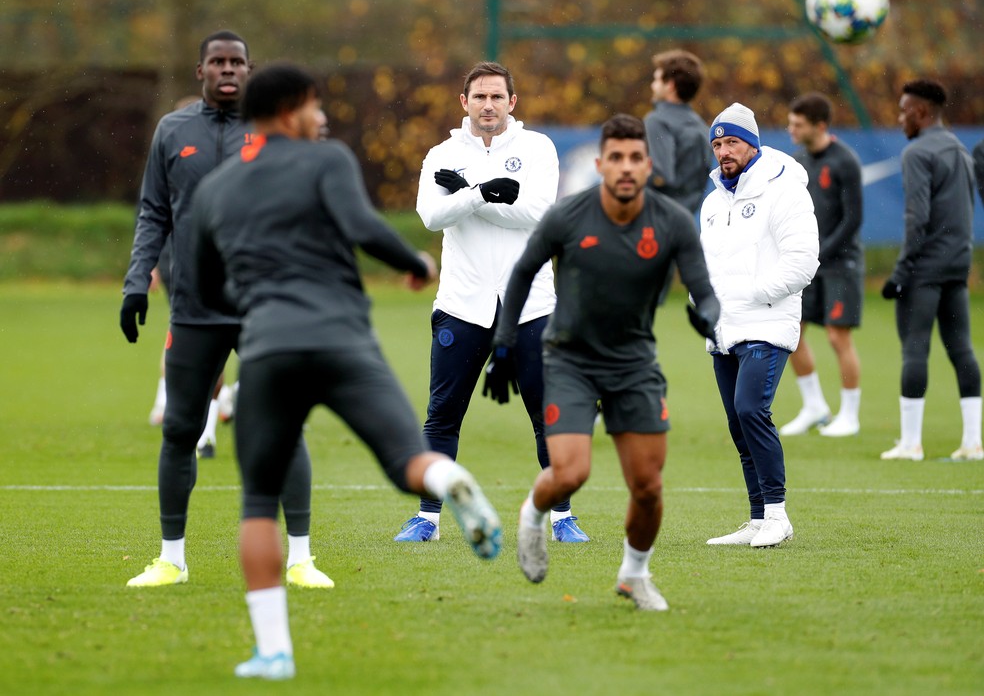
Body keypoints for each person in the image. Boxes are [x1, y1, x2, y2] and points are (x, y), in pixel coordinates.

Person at [191, 62, 501, 680]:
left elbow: (201, 288)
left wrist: (252, 306)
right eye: (313, 105)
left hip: (270, 349)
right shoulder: (326, 161)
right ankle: (451, 483)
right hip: (343, 341)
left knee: (257, 503)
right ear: (287, 112)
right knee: (407, 458)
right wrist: (411, 261)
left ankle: (273, 651)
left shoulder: (215, 189)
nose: (322, 117)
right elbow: (362, 228)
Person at [119, 31, 333, 588]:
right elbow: (153, 214)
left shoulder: (274, 130)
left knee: (285, 426)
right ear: (201, 71)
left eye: (237, 61)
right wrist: (136, 281)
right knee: (181, 429)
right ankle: (171, 559)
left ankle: (302, 559)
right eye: (218, 61)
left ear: (251, 69)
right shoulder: (172, 132)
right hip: (193, 307)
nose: (228, 69)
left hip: (263, 305)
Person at [489, 114, 720, 611]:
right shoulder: (567, 217)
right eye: (615, 158)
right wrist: (504, 344)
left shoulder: (673, 221)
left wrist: (709, 316)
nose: (625, 168)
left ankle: (634, 575)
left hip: (635, 365)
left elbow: (704, 290)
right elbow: (523, 272)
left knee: (648, 486)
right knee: (570, 474)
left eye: (635, 158)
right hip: (570, 360)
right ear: (600, 164)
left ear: (648, 165)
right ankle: (532, 516)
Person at [394, 61, 589, 544]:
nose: (488, 105)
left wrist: (467, 195)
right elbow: (430, 216)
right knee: (442, 413)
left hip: (533, 305)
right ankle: (428, 518)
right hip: (463, 303)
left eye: (497, 97)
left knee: (547, 414)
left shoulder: (537, 147)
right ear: (464, 102)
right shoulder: (442, 152)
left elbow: (539, 213)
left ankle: (563, 517)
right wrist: (481, 193)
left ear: (512, 103)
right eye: (479, 97)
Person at [699, 103, 819, 548]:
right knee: (737, 422)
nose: (724, 151)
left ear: (752, 143)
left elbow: (803, 261)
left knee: (752, 409)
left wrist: (750, 293)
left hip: (768, 322)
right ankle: (756, 517)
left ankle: (777, 514)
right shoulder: (712, 202)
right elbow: (704, 265)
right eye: (717, 144)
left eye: (732, 142)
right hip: (724, 328)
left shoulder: (785, 191)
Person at [880, 79, 982, 462]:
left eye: (904, 109)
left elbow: (917, 218)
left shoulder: (917, 152)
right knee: (962, 350)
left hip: (925, 268)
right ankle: (973, 443)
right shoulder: (960, 148)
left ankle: (911, 444)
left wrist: (900, 271)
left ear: (921, 112)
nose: (900, 116)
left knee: (915, 348)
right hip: (958, 263)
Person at [780, 92, 864, 438]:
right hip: (807, 266)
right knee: (791, 333)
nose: (791, 129)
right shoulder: (797, 161)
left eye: (797, 124)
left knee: (836, 336)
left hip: (840, 264)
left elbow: (853, 219)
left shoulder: (845, 161)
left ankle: (850, 415)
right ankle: (814, 406)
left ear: (820, 126)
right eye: (790, 122)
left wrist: (819, 254)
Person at [644, 50, 714, 306]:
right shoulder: (701, 128)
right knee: (647, 310)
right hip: (680, 228)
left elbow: (662, 175)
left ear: (670, 85)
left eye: (656, 79)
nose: (653, 85)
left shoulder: (657, 120)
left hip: (650, 227)